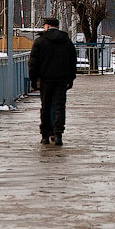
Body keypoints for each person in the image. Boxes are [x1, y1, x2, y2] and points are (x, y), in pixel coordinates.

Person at [28, 17, 77, 146]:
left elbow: (33, 63)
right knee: (59, 107)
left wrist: (33, 80)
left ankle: (45, 135)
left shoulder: (40, 42)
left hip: (45, 80)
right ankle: (58, 134)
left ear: (47, 26)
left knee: (45, 107)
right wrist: (71, 78)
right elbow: (72, 61)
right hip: (61, 80)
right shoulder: (66, 41)